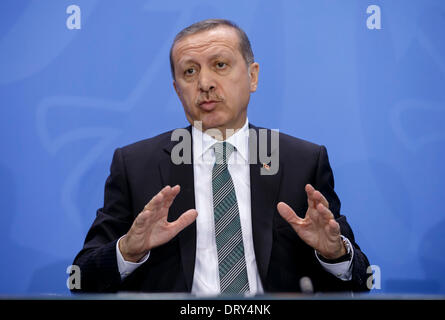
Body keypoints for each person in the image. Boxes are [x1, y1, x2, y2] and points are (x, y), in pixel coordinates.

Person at [72, 19, 371, 294]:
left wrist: (334, 254)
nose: (205, 83)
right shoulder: (136, 165)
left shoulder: (301, 160)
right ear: (178, 90)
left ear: (252, 77)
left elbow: (362, 278)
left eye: (220, 65)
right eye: (190, 71)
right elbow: (80, 277)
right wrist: (127, 250)